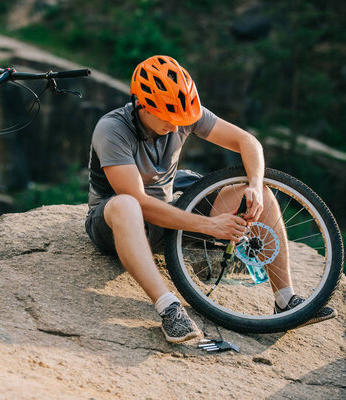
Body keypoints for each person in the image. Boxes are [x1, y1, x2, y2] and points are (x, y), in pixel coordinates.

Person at [85, 55, 336, 343]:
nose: (174, 124)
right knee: (126, 205)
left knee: (261, 194)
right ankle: (169, 309)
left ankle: (286, 300)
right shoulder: (112, 129)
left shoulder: (183, 114)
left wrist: (254, 185)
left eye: (180, 117)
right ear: (142, 103)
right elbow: (139, 203)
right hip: (116, 225)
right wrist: (210, 227)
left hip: (168, 213)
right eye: (167, 116)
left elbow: (247, 142)